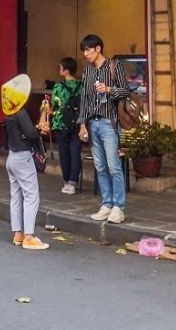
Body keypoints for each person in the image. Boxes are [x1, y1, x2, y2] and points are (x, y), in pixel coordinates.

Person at [76, 34, 130, 224]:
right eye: (84, 50)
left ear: (98, 49)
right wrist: (82, 124)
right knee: (100, 166)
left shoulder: (114, 66)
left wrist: (109, 90)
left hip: (109, 122)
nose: (85, 54)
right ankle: (106, 204)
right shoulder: (87, 71)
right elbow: (84, 99)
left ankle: (118, 207)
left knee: (114, 165)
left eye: (88, 50)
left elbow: (126, 90)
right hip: (92, 123)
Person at [2, 74, 48, 250]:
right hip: (23, 158)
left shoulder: (9, 114)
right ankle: (29, 236)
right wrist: (39, 128)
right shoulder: (20, 113)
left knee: (16, 196)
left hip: (11, 157)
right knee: (31, 196)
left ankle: (18, 234)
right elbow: (31, 134)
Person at [50, 57, 83, 194]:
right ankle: (73, 182)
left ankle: (66, 181)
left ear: (66, 70)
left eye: (60, 67)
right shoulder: (81, 86)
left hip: (61, 123)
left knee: (64, 154)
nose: (59, 69)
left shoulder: (58, 87)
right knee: (75, 152)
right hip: (77, 123)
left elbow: (54, 105)